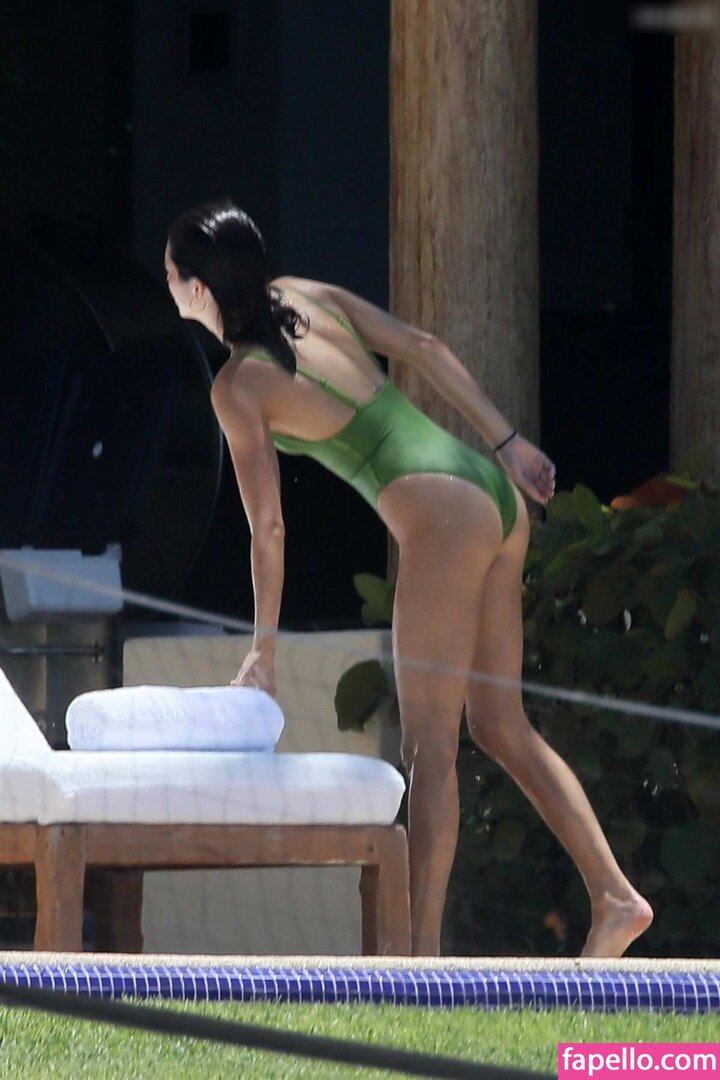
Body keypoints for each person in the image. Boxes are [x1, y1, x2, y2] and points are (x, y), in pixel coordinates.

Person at [164, 198, 653, 957]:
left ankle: (418, 965)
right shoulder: (302, 294)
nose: (167, 286)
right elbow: (423, 346)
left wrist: (263, 648)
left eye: (170, 275)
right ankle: (616, 896)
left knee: (429, 749)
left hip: (443, 521)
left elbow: (269, 529)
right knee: (499, 723)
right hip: (487, 490)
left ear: (198, 289)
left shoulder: (237, 387)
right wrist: (508, 442)